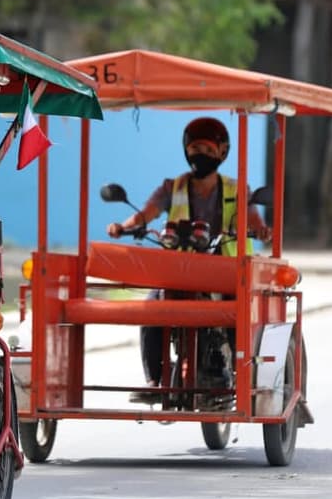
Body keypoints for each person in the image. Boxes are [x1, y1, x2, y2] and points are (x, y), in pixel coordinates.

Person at [106, 116, 271, 403]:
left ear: (221, 154)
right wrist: (124, 226)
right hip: (178, 273)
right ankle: (154, 381)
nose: (200, 157)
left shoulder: (236, 189)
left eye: (207, 151)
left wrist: (260, 229)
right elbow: (147, 213)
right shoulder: (173, 187)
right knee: (150, 310)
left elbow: (254, 220)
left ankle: (241, 376)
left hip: (226, 273)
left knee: (239, 314)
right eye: (195, 149)